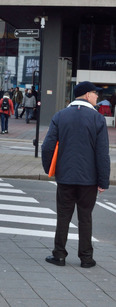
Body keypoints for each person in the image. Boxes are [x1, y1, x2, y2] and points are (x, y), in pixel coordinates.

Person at [42, 81, 110, 269]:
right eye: (96, 94)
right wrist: (103, 181)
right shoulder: (98, 119)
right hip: (89, 180)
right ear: (88, 95)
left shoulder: (60, 116)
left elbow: (47, 146)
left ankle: (59, 255)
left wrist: (50, 169)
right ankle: (86, 258)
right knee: (85, 217)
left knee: (63, 215)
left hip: (65, 177)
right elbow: (102, 153)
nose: (98, 97)